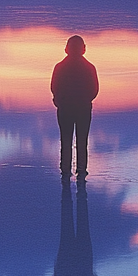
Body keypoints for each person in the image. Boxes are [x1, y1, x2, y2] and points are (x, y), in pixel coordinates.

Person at [51, 35, 99, 182]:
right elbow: (94, 90)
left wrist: (60, 101)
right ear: (83, 49)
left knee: (66, 140)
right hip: (82, 108)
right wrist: (85, 101)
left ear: (67, 49)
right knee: (82, 141)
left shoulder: (59, 67)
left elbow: (54, 87)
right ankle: (81, 170)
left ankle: (65, 170)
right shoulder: (89, 67)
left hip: (66, 108)